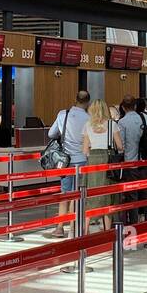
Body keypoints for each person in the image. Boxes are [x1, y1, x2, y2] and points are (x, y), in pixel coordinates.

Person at [46, 89, 91, 238]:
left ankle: (59, 228)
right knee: (77, 195)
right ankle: (73, 227)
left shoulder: (62, 114)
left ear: (75, 99)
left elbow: (51, 134)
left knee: (65, 194)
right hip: (82, 161)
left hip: (65, 161)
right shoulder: (89, 118)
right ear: (87, 102)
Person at [82, 98, 122, 230]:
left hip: (93, 160)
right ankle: (107, 229)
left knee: (92, 192)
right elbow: (120, 146)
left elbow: (85, 150)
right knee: (107, 194)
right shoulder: (112, 124)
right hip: (107, 159)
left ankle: (85, 229)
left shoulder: (87, 125)